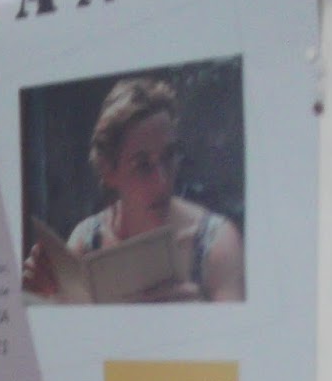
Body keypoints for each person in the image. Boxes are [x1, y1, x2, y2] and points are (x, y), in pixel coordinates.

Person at [23, 76, 244, 303]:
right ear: (109, 172)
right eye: (142, 165)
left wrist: (201, 313)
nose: (162, 180)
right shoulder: (88, 242)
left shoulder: (216, 243)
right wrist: (45, 295)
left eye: (169, 156)